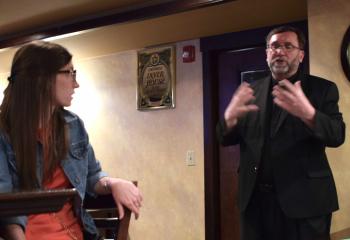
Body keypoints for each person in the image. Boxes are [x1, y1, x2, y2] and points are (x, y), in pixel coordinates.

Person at [0, 41, 143, 240]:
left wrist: (113, 183)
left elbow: (92, 177)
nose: (76, 83)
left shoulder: (74, 125)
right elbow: (6, 210)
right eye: (69, 73)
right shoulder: (4, 133)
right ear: (42, 79)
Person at [217, 26, 346, 240]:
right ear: (267, 53)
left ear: (301, 54)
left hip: (306, 204)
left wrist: (309, 114)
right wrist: (229, 119)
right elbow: (225, 138)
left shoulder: (322, 89)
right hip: (256, 202)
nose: (280, 51)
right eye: (274, 46)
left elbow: (337, 135)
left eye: (288, 46)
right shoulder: (251, 91)